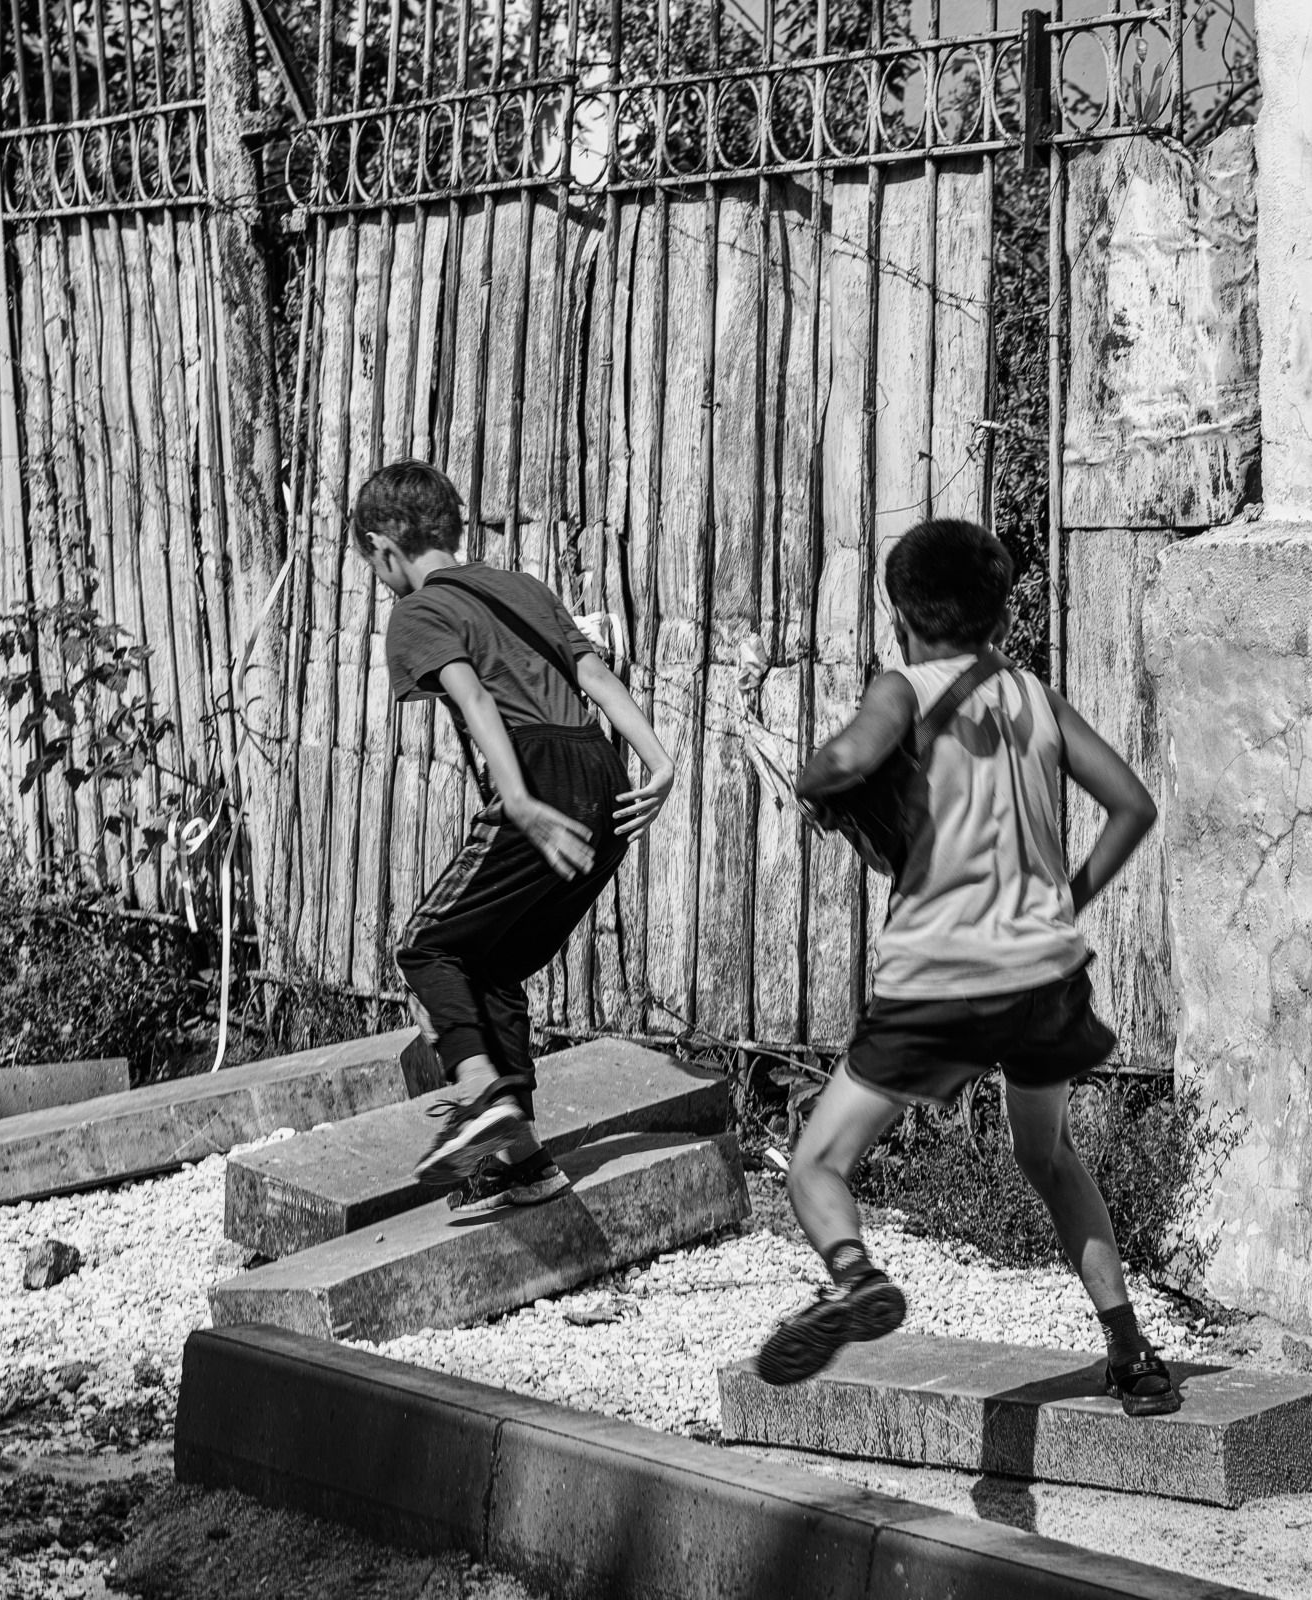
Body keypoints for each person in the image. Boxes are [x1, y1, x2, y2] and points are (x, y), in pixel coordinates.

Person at [755, 516, 1179, 1417]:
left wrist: (818, 781)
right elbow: (1134, 807)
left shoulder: (901, 689)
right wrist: (1064, 901)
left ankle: (854, 1277)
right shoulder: (1035, 696)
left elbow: (846, 759)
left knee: (816, 1165)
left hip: (940, 981)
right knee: (1048, 1154)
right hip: (1043, 976)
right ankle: (1131, 1352)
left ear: (898, 616)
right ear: (1003, 615)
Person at [352, 460, 676, 1213]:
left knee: (426, 947)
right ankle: (524, 1163)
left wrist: (521, 800)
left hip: (540, 773)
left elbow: (471, 696)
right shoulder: (522, 587)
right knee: (488, 966)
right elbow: (595, 677)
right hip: (603, 773)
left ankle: (481, 1095)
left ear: (383, 550)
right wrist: (659, 760)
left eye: (374, 566)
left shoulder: (419, 610)